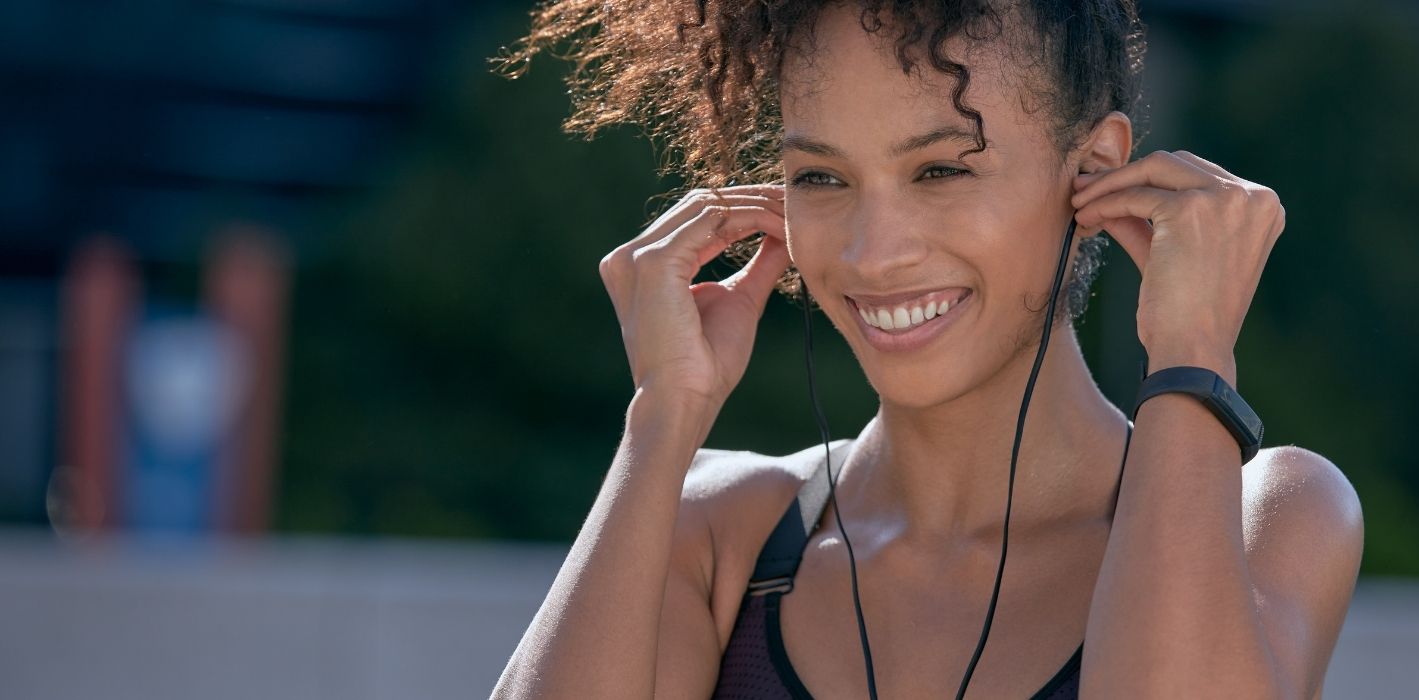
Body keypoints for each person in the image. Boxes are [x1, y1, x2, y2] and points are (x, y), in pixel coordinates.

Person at [489, 0, 1364, 697]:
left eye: (941, 169)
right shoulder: (719, 533)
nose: (873, 253)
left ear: (1095, 168)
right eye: (821, 178)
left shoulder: (1271, 517)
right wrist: (662, 417)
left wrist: (1190, 351)